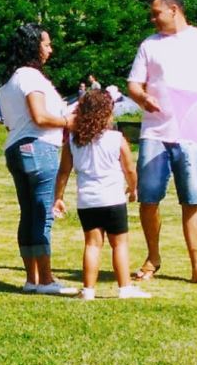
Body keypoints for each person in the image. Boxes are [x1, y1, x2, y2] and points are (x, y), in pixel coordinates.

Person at [126, 0, 197, 286]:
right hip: (154, 133)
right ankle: (153, 258)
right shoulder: (149, 45)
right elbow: (134, 85)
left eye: (156, 13)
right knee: (148, 200)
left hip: (191, 133)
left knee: (192, 200)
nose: (153, 18)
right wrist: (143, 99)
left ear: (174, 10)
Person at [0, 24, 77, 295]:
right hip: (39, 148)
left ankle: (31, 278)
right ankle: (45, 279)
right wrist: (69, 120)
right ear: (33, 46)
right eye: (46, 44)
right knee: (43, 214)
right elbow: (40, 117)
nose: (50, 49)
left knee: (29, 214)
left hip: (16, 150)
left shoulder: (9, 81)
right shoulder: (31, 77)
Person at [53, 90, 150, 300]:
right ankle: (125, 288)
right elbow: (130, 169)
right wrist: (134, 188)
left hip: (87, 201)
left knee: (92, 245)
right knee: (120, 244)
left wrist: (58, 197)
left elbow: (63, 171)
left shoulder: (73, 142)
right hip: (113, 199)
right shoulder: (116, 139)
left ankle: (88, 290)